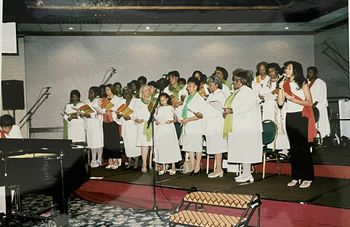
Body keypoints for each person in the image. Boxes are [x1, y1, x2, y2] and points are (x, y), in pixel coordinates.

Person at [277, 61, 316, 188]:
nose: (286, 70)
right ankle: (296, 176)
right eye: (286, 68)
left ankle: (308, 177)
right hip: (290, 117)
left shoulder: (302, 83)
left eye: (289, 68)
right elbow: (280, 103)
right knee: (293, 148)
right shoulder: (284, 83)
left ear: (295, 70)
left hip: (301, 116)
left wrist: (294, 99)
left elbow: (310, 102)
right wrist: (281, 88)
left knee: (304, 148)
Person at [223, 70, 262, 183]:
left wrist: (232, 110)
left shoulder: (248, 92)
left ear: (241, 81)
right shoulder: (238, 92)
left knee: (246, 151)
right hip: (240, 126)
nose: (233, 83)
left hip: (248, 127)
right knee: (242, 150)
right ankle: (245, 173)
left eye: (235, 80)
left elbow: (246, 107)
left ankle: (248, 174)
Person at [179, 77, 206, 175]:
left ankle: (198, 166)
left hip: (195, 125)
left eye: (190, 86)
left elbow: (201, 115)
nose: (188, 88)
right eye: (188, 86)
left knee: (196, 146)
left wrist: (189, 119)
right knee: (189, 145)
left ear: (195, 87)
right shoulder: (187, 97)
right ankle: (193, 165)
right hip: (187, 124)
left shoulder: (200, 98)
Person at [263, 63, 290, 155]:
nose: (270, 73)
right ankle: (272, 148)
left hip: (280, 107)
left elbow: (287, 93)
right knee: (271, 127)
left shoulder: (283, 80)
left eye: (272, 71)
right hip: (268, 107)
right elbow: (262, 93)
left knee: (281, 126)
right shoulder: (266, 81)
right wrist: (269, 93)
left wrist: (278, 93)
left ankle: (284, 150)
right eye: (269, 71)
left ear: (277, 70)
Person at [205, 75, 227, 178]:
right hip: (210, 124)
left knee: (218, 147)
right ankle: (217, 169)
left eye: (211, 84)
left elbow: (221, 110)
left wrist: (206, 116)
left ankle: (219, 169)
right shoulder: (211, 95)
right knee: (214, 146)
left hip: (217, 124)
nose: (209, 87)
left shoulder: (220, 94)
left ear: (217, 85)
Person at [154, 93, 182, 175]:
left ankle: (173, 166)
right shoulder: (158, 108)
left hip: (169, 128)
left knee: (170, 146)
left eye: (164, 100)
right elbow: (155, 118)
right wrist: (157, 122)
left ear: (167, 99)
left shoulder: (170, 107)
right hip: (160, 129)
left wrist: (171, 121)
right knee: (162, 147)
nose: (162, 102)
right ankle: (163, 166)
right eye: (161, 100)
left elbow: (177, 118)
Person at [100, 84, 125, 169]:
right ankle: (110, 160)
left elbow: (119, 109)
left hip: (113, 121)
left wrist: (112, 109)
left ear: (112, 90)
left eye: (108, 90)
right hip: (105, 121)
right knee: (107, 141)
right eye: (106, 90)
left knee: (114, 141)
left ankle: (116, 160)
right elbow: (102, 110)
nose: (107, 92)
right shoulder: (104, 100)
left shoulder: (118, 99)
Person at [133, 85, 156, 173]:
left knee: (154, 144)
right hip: (142, 125)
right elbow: (134, 114)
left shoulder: (154, 101)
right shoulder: (138, 102)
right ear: (141, 92)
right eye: (144, 90)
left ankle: (155, 164)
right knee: (144, 145)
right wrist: (136, 119)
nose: (146, 92)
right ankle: (144, 164)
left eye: (148, 90)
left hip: (153, 125)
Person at [307, 66, 330, 138]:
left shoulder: (321, 82)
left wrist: (315, 104)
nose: (308, 74)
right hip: (310, 106)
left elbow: (321, 95)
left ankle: (321, 137)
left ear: (315, 73)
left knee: (320, 122)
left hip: (319, 106)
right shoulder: (308, 82)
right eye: (308, 72)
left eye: (310, 72)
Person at [84, 86, 104, 168]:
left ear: (96, 93)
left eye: (91, 92)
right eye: (89, 92)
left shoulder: (99, 100)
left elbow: (103, 111)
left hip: (96, 123)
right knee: (91, 142)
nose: (89, 94)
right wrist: (85, 114)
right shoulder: (87, 101)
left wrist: (98, 111)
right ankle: (93, 159)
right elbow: (84, 111)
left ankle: (98, 159)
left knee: (98, 141)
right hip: (89, 123)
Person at [120, 88, 140, 169]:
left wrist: (130, 117)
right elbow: (118, 115)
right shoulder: (122, 102)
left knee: (134, 144)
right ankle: (129, 161)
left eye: (128, 92)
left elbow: (138, 112)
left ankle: (136, 162)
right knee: (127, 144)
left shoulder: (136, 101)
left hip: (133, 125)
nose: (126, 94)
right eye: (125, 93)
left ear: (131, 93)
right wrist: (119, 116)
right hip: (125, 125)